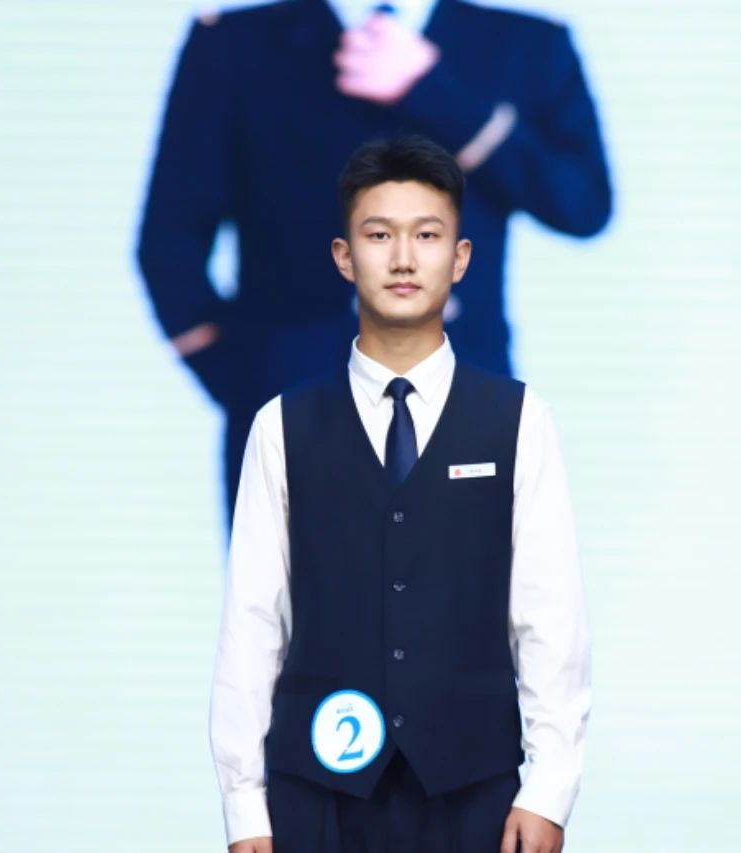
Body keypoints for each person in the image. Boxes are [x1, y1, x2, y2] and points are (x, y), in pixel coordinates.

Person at [210, 136, 590, 853]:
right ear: (344, 256)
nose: (404, 258)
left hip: (475, 796)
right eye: (380, 235)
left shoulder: (518, 419)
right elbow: (253, 625)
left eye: (427, 235)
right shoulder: (282, 426)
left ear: (462, 257)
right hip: (315, 796)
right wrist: (244, 806)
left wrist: (549, 788)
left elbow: (549, 616)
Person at [136, 0, 611, 522]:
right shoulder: (234, 42)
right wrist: (244, 377)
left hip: (466, 401)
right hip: (290, 403)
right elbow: (168, 242)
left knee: (468, 577)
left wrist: (434, 90)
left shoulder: (527, 43)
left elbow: (583, 206)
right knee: (293, 580)